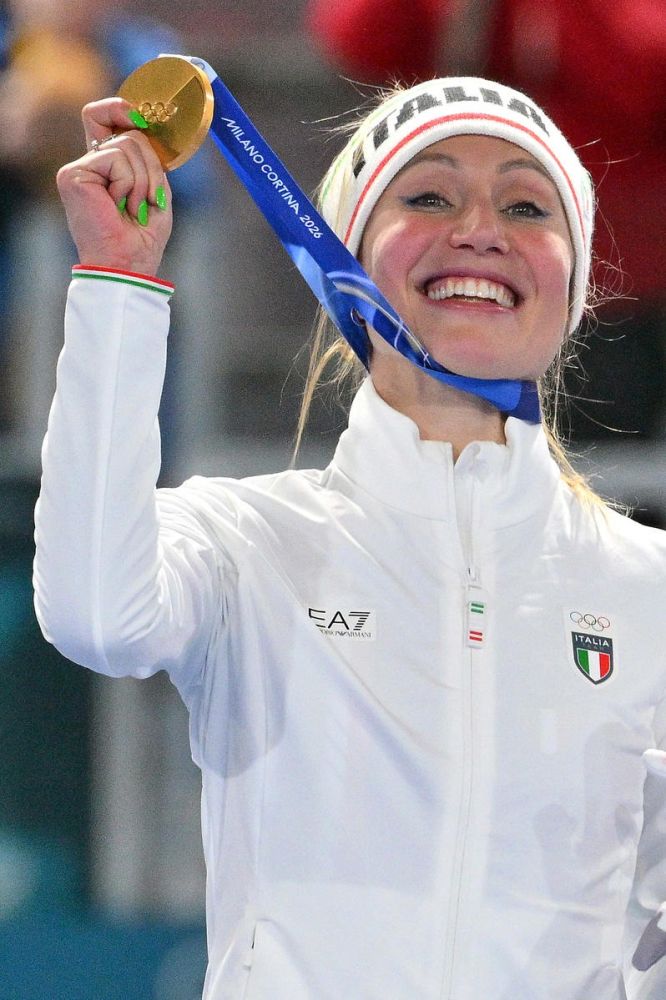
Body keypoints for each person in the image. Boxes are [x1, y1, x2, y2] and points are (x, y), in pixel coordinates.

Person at [33, 75, 666, 999]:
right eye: (429, 196)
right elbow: (95, 614)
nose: (480, 229)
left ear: (572, 284)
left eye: (528, 206)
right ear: (346, 260)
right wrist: (118, 282)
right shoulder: (248, 543)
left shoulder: (649, 591)